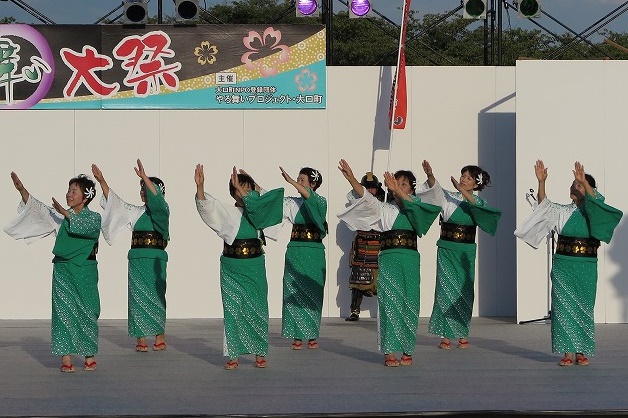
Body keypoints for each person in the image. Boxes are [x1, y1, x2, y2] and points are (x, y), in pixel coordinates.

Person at [515, 160, 622, 366]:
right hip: (563, 264)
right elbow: (544, 206)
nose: (574, 187)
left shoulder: (594, 212)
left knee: (583, 307)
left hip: (586, 266)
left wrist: (585, 183)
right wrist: (542, 182)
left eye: (579, 184)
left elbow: (598, 200)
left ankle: (582, 351)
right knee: (563, 308)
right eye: (573, 184)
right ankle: (567, 352)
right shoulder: (563, 211)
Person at [337, 159, 441, 367]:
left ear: (412, 188)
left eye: (403, 184)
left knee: (409, 303)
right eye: (396, 183)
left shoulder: (417, 207)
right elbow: (366, 197)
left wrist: (405, 190)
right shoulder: (385, 209)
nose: (398, 186)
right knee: (389, 303)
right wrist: (350, 177)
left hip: (410, 259)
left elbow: (423, 212)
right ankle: (389, 350)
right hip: (388, 258)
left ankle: (407, 349)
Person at [5, 172, 101, 373]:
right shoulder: (60, 215)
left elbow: (88, 229)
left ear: (86, 196)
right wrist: (22, 190)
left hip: (85, 270)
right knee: (63, 311)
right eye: (69, 190)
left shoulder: (94, 217)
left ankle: (89, 355)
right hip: (63, 269)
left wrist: (67, 215)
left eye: (74, 191)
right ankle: (66, 357)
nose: (69, 194)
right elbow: (38, 209)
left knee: (88, 310)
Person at [194, 164, 283, 370]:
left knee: (258, 308)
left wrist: (255, 187)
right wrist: (200, 186)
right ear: (233, 193)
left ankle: (260, 353)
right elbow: (207, 206)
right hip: (231, 266)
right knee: (233, 310)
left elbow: (273, 203)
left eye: (247, 188)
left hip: (255, 265)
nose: (244, 192)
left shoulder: (260, 213)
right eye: (239, 188)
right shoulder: (227, 210)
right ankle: (233, 354)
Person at [417, 161, 502, 350]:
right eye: (463, 176)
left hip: (466, 252)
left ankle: (462, 332)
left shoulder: (478, 202)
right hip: (446, 249)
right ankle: (445, 334)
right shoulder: (449, 197)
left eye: (469, 178)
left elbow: (481, 211)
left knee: (463, 292)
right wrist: (430, 175)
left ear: (476, 184)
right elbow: (435, 190)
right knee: (445, 290)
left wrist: (462, 192)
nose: (464, 179)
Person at [92, 160, 170, 352]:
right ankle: (141, 337)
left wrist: (144, 177)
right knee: (137, 298)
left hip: (155, 260)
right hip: (136, 259)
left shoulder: (163, 210)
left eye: (146, 189)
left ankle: (159, 335)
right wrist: (102, 181)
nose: (143, 192)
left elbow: (157, 202)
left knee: (156, 295)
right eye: (141, 189)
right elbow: (116, 204)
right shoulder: (136, 212)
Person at [263, 166, 327, 351]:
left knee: (312, 290)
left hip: (313, 250)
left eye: (302, 180)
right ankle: (297, 335)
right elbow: (271, 199)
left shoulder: (320, 201)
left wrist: (290, 181)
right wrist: (254, 186)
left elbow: (310, 198)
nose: (298, 183)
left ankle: (312, 334)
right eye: (297, 180)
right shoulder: (293, 202)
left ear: (313, 183)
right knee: (294, 290)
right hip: (295, 249)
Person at [345, 172, 384, 322]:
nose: (370, 191)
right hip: (362, 244)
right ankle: (354, 311)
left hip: (378, 244)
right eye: (366, 188)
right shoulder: (356, 200)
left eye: (372, 188)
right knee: (357, 280)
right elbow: (351, 195)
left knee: (381, 280)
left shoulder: (384, 201)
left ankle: (384, 311)